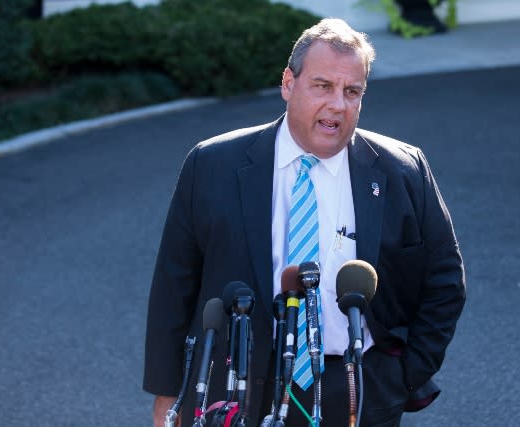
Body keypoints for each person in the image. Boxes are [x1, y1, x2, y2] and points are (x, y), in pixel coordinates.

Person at [143, 18, 465, 427]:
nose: (338, 105)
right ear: (288, 83)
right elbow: (174, 287)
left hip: (354, 390)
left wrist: (400, 377)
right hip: (237, 387)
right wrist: (169, 394)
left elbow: (445, 281)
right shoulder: (212, 165)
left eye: (352, 92)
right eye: (323, 86)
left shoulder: (403, 170)